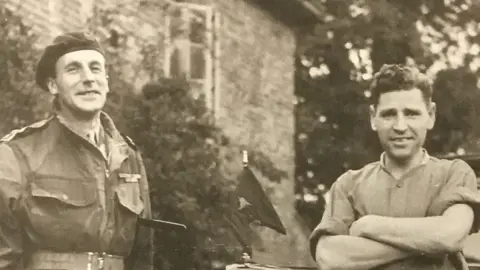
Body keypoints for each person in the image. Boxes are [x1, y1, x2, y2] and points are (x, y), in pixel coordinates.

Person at [0, 32, 153, 270]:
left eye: (95, 68)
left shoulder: (127, 156)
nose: (88, 78)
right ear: (53, 85)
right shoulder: (17, 153)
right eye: (73, 69)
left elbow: (143, 255)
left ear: (107, 82)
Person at [309, 64, 480, 270]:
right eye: (389, 114)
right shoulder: (349, 184)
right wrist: (428, 244)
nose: (400, 126)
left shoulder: (454, 173)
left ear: (431, 115)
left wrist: (369, 226)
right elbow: (329, 256)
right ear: (373, 118)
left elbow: (449, 235)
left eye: (411, 114)